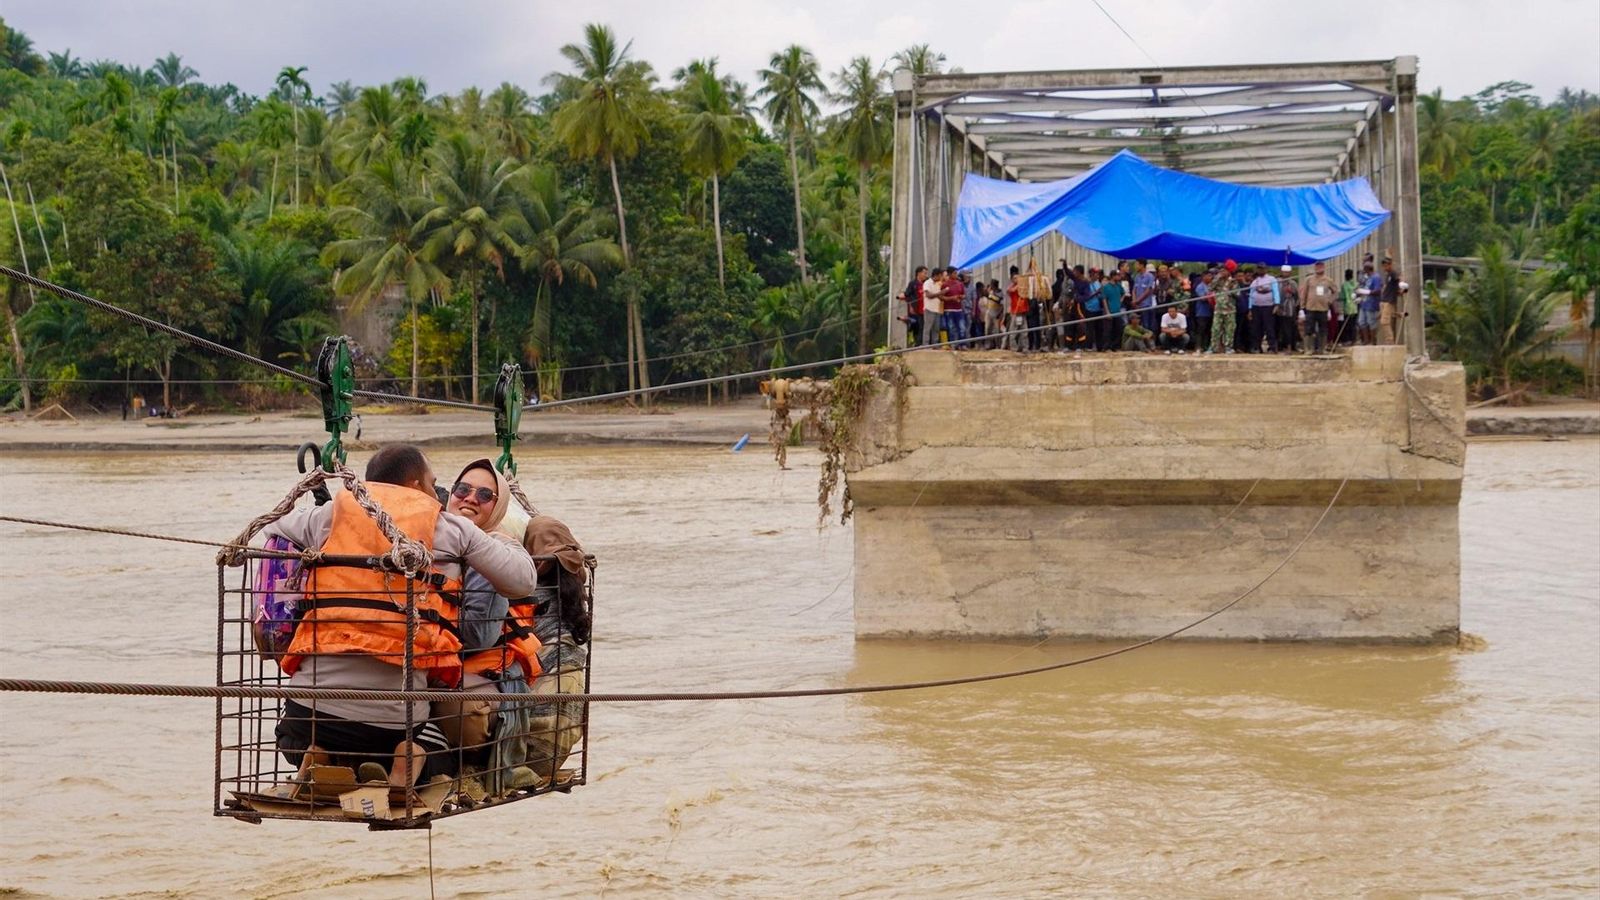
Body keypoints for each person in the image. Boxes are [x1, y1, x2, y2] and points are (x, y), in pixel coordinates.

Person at [268, 445, 538, 790]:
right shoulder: (450, 528)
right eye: (433, 484)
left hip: (307, 715)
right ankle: (405, 758)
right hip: (390, 724)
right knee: (444, 752)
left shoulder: (332, 513)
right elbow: (523, 581)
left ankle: (320, 754)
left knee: (286, 737)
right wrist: (507, 543)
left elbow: (272, 526)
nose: (435, 494)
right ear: (414, 485)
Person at [1300, 261, 1338, 354]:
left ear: (1324, 267)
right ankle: (1309, 349)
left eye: (1321, 266)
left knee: (1323, 329)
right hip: (1310, 308)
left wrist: (1330, 300)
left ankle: (1322, 348)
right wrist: (1302, 306)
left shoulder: (1328, 280)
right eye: (1317, 266)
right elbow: (1304, 293)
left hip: (1323, 308)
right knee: (1309, 329)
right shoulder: (1309, 280)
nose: (1319, 267)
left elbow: (1335, 292)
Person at [1248, 266, 1279, 353]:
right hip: (1256, 306)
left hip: (1268, 306)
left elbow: (1276, 291)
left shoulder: (1271, 279)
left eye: (1263, 268)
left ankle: (1272, 347)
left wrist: (1277, 304)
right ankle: (1256, 347)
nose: (1261, 270)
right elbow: (1251, 294)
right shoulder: (1255, 281)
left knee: (1269, 327)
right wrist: (1250, 308)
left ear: (1266, 269)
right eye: (1259, 269)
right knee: (1256, 328)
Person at [1274, 264, 1301, 353]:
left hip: (1289, 309)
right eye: (1284, 272)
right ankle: (1278, 346)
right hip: (1278, 308)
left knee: (1289, 329)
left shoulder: (1293, 283)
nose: (1285, 274)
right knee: (1277, 328)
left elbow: (1297, 297)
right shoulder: (1276, 282)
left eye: (1287, 272)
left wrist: (1296, 307)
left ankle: (1290, 346)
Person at [899, 266, 927, 348]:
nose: (925, 275)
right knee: (916, 326)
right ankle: (916, 343)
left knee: (922, 326)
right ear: (919, 273)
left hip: (925, 309)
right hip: (915, 309)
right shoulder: (913, 283)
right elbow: (907, 294)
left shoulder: (926, 283)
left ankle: (920, 343)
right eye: (924, 273)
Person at [1100, 264, 1126, 351]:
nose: (1119, 277)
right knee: (1107, 331)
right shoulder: (1106, 287)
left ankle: (1114, 346)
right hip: (1109, 311)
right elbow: (1104, 300)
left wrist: (1120, 300)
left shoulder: (1118, 286)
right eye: (1117, 275)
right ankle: (1106, 347)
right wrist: (1107, 312)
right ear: (1113, 276)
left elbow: (1123, 293)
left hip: (1117, 311)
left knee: (1119, 329)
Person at [941, 266, 969, 347]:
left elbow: (964, 295)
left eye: (956, 273)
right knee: (951, 328)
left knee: (962, 327)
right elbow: (941, 297)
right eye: (954, 273)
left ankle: (962, 345)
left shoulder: (960, 284)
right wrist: (951, 298)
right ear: (950, 274)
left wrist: (960, 297)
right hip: (949, 309)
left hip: (958, 309)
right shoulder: (945, 285)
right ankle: (953, 344)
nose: (956, 275)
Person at [1379, 257, 1405, 345]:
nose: (1385, 267)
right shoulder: (1388, 275)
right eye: (1384, 266)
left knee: (1384, 321)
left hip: (1389, 300)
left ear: (1390, 265)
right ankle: (1400, 314)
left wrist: (1402, 288)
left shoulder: (1393, 273)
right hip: (1385, 299)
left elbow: (1400, 279)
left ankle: (1389, 340)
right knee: (1389, 318)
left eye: (1386, 265)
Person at [1357, 262, 1382, 345]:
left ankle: (1373, 341)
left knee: (1371, 322)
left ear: (1367, 269)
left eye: (1365, 270)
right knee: (1361, 321)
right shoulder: (1367, 278)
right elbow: (1362, 287)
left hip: (1371, 304)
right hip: (1364, 303)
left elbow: (1378, 290)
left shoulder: (1376, 277)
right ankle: (1366, 340)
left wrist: (1367, 292)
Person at [920, 268, 945, 346]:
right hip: (929, 308)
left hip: (936, 309)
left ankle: (935, 344)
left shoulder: (937, 284)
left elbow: (939, 296)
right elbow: (928, 295)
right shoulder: (927, 283)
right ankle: (925, 344)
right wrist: (940, 293)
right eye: (940, 276)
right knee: (928, 328)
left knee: (936, 328)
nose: (941, 278)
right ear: (936, 275)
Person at [1190, 269, 1214, 353]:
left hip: (1211, 311)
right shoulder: (1200, 286)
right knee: (1201, 330)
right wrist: (1211, 297)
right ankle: (1198, 347)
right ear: (1203, 277)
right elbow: (1203, 298)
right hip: (1201, 312)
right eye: (1208, 276)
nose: (1210, 277)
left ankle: (1207, 346)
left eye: (1211, 276)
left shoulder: (1212, 286)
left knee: (1209, 330)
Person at [1007, 267, 1030, 352]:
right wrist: (1018, 284)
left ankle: (1025, 347)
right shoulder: (1012, 287)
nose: (1017, 279)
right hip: (1016, 312)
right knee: (1013, 331)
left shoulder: (1022, 287)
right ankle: (1014, 347)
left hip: (1022, 311)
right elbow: (1010, 290)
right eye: (1015, 278)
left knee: (1024, 331)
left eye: (1018, 278)